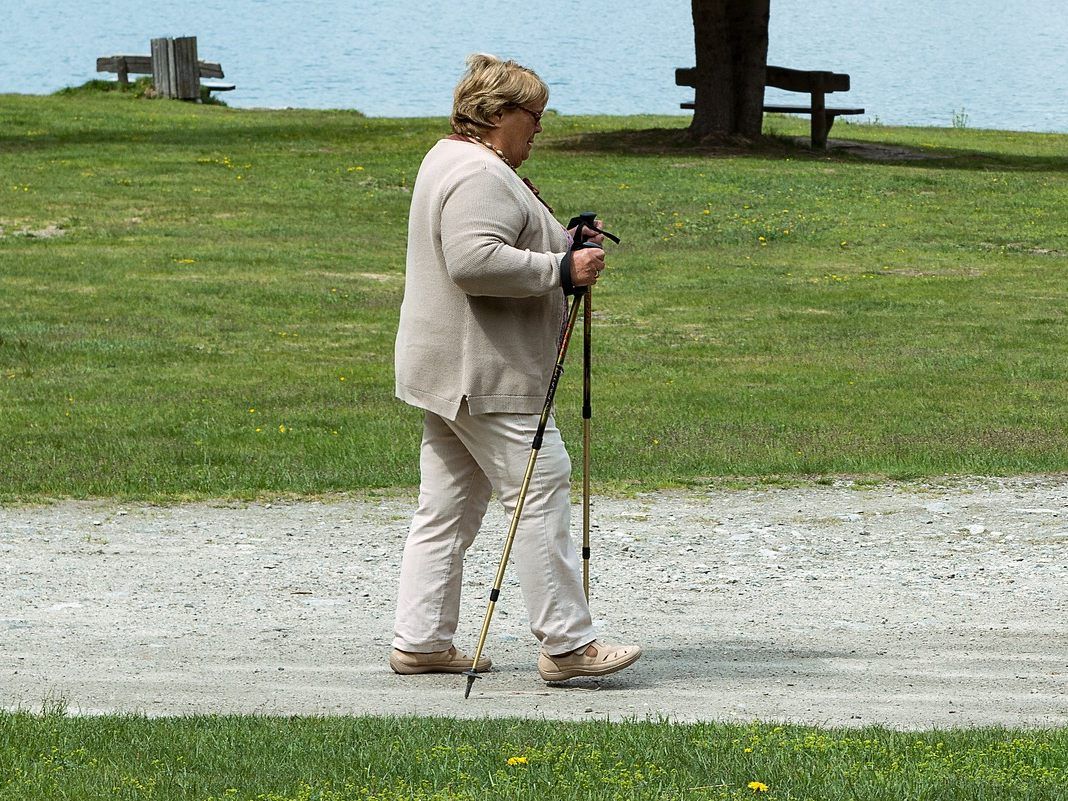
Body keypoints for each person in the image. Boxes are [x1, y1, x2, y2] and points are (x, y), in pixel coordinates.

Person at [390, 54, 641, 683]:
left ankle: (421, 642)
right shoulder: (479, 173)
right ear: (498, 114)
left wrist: (566, 236)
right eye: (533, 117)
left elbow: (499, 238)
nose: (538, 130)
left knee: (447, 506)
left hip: (450, 370)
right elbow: (473, 261)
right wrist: (560, 269)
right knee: (539, 488)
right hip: (487, 372)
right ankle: (567, 646)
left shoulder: (450, 157)